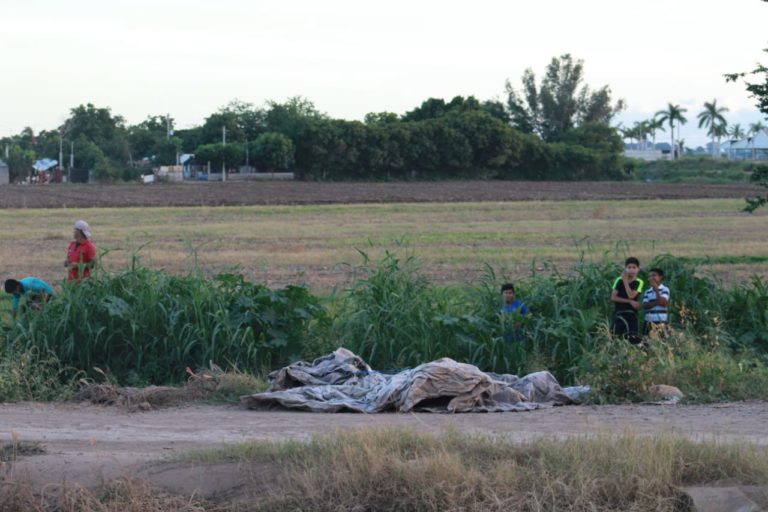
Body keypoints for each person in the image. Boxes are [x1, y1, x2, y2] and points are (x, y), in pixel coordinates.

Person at [610, 257, 645, 344]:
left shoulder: (639, 282)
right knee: (616, 338)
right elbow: (613, 297)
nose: (631, 270)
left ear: (638, 269)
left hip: (631, 314)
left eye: (634, 267)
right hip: (619, 313)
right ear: (625, 269)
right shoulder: (618, 280)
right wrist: (629, 302)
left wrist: (625, 281)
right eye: (629, 267)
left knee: (633, 338)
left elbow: (631, 296)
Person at [642, 267, 670, 334]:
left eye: (654, 275)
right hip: (648, 321)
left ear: (660, 277)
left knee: (661, 342)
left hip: (661, 321)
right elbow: (645, 306)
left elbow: (662, 302)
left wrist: (656, 289)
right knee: (646, 342)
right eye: (650, 276)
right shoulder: (647, 291)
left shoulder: (665, 289)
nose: (651, 278)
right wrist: (658, 302)